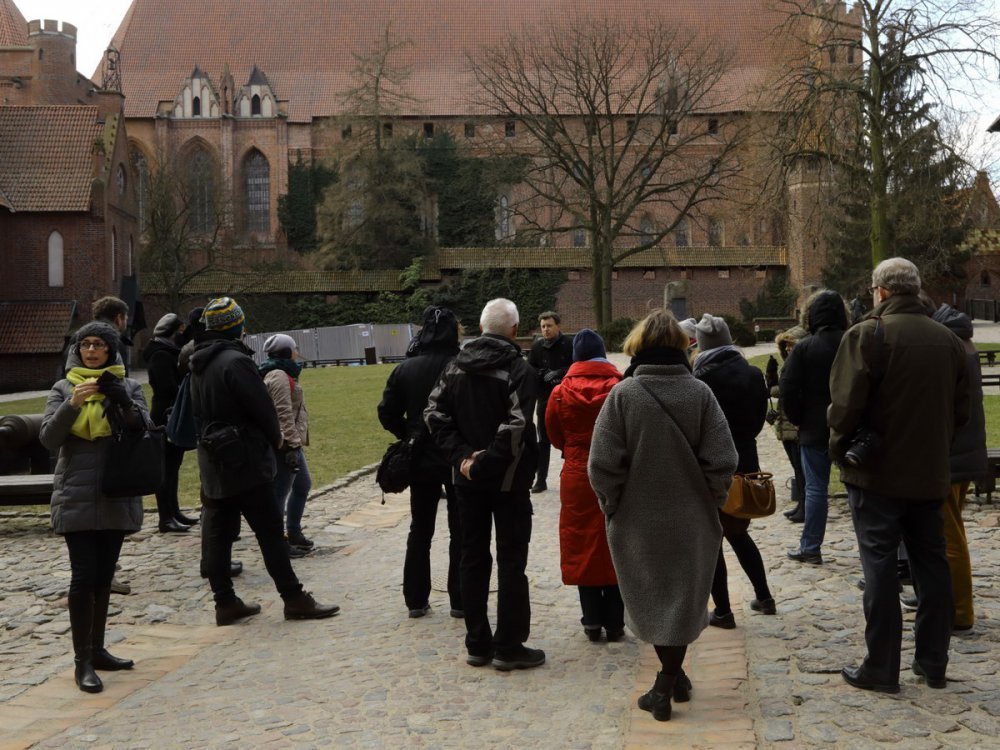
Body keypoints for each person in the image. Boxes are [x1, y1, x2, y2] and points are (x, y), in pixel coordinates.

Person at [588, 309, 737, 722]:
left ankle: (664, 686)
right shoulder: (700, 393)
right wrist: (713, 498)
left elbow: (601, 464)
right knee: (680, 600)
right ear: (680, 346)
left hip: (637, 519)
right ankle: (675, 676)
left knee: (653, 600)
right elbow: (724, 459)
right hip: (692, 518)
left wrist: (612, 504)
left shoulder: (624, 395)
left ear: (638, 346)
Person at [829, 258, 968, 693]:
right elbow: (960, 413)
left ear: (881, 292)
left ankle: (881, 665)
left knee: (881, 568)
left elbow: (843, 407)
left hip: (877, 476)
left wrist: (842, 452)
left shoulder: (870, 335)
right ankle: (933, 661)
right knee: (932, 565)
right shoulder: (948, 340)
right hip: (929, 474)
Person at [188, 297, 339, 625]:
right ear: (237, 325)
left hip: (213, 458)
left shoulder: (197, 361)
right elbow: (264, 410)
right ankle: (294, 597)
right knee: (270, 532)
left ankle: (224, 601)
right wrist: (276, 441)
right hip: (245, 458)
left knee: (217, 532)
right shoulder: (235, 361)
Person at [424, 298, 543, 671]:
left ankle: (477, 640)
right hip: (505, 481)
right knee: (510, 560)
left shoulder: (454, 366)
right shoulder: (518, 369)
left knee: (472, 556)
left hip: (467, 479)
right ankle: (508, 644)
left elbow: (434, 414)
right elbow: (517, 425)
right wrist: (479, 461)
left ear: (480, 327)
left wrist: (463, 459)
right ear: (513, 330)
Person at [40, 322, 149, 693]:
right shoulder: (63, 388)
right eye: (85, 344)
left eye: (99, 345)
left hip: (117, 491)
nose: (91, 350)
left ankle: (99, 649)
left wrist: (121, 399)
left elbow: (143, 429)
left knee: (104, 576)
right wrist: (72, 405)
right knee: (82, 577)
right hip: (77, 492)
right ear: (77, 349)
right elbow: (49, 439)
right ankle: (81, 661)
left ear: (110, 351)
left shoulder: (130, 386)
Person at [378, 306, 464, 619]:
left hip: (421, 455)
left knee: (420, 529)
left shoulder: (406, 368)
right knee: (461, 530)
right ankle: (460, 598)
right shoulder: (462, 365)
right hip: (455, 454)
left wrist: (411, 433)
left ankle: (415, 598)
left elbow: (386, 412)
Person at [692, 314, 774, 627]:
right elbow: (757, 422)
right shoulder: (752, 374)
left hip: (711, 466)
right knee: (739, 534)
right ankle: (764, 596)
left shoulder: (700, 380)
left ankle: (724, 610)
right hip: (746, 461)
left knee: (712, 539)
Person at [544, 329, 624, 642]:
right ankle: (616, 621)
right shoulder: (618, 388)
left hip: (577, 472)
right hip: (615, 471)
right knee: (614, 541)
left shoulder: (561, 392)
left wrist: (574, 448)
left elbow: (553, 434)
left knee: (581, 543)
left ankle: (591, 619)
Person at [780, 290, 848, 565]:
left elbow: (788, 387)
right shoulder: (852, 342)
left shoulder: (805, 348)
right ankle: (872, 551)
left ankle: (811, 547)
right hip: (849, 425)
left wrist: (798, 418)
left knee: (816, 488)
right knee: (858, 489)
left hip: (813, 426)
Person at [930, 302, 986, 635]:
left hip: (952, 454)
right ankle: (947, 601)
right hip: (964, 451)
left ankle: (960, 611)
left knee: (950, 536)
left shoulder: (950, 347)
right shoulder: (963, 342)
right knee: (953, 530)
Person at [143, 313, 198, 533]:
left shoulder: (167, 352)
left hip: (172, 412)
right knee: (166, 468)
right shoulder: (161, 355)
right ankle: (165, 517)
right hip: (165, 414)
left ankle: (174, 511)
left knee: (174, 466)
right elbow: (166, 386)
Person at [260, 333, 314, 555]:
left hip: (291, 442)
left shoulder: (282, 372)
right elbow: (283, 414)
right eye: (293, 348)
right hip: (285, 445)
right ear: (286, 352)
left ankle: (293, 531)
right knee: (279, 494)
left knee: (302, 485)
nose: (296, 351)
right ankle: (277, 543)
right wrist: (291, 445)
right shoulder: (279, 375)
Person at [526, 311, 573, 493]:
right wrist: (541, 374)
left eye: (549, 325)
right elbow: (530, 370)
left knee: (569, 438)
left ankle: (568, 475)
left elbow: (576, 366)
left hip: (566, 398)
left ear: (558, 326)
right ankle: (541, 479)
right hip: (544, 399)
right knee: (543, 440)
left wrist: (559, 373)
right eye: (543, 326)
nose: (545, 329)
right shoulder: (537, 347)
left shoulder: (569, 344)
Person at [768, 326, 807, 522]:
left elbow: (785, 389)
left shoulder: (800, 365)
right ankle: (801, 503)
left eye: (792, 345)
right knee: (796, 467)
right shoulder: (789, 364)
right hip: (786, 423)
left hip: (795, 424)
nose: (789, 350)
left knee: (801, 468)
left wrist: (774, 385)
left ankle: (805, 506)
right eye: (786, 346)